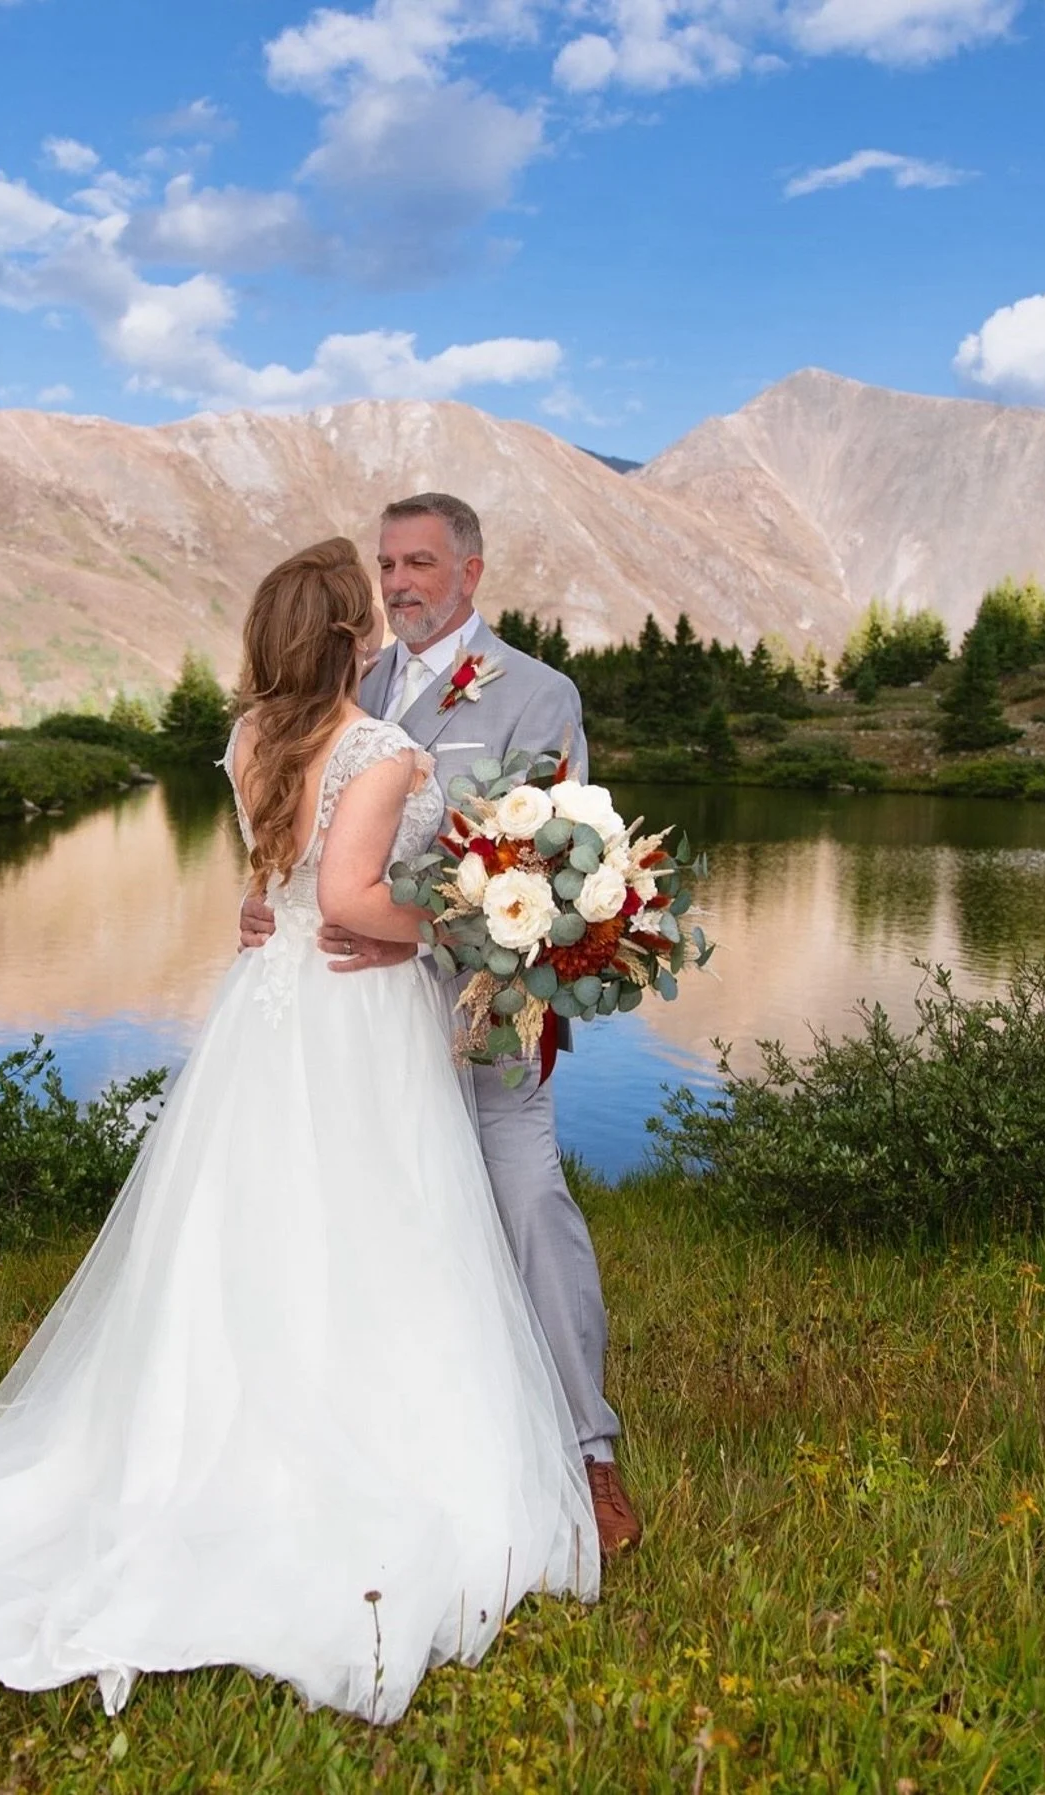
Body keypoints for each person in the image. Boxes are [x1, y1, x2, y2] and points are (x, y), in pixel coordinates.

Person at [0, 537, 598, 1727]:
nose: (383, 612)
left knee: (253, 1222)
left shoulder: (248, 737)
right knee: (375, 1220)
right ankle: (353, 1453)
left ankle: (221, 1422)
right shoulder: (379, 749)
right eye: (364, 605)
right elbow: (346, 901)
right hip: (351, 1013)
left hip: (263, 1019)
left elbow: (277, 873)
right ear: (346, 637)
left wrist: (286, 897)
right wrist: (458, 915)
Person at [240, 494, 641, 1559]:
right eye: (386, 564)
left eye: (421, 562)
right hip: (360, 1026)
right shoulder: (353, 683)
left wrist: (413, 938)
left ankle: (589, 1452)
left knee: (525, 1199)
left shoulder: (539, 695)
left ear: (472, 572)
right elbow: (308, 825)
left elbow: (556, 878)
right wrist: (268, 893)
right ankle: (378, 1441)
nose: (400, 582)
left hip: (482, 1014)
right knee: (369, 1222)